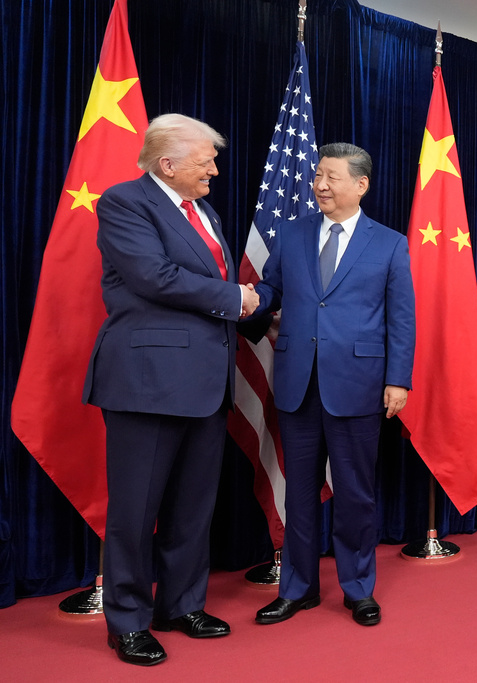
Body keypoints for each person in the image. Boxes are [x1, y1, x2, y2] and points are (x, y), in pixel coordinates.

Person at [83, 114, 260, 666]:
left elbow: (202, 284)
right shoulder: (124, 202)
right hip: (147, 384)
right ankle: (128, 622)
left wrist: (251, 307)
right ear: (168, 164)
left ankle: (180, 606)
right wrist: (237, 298)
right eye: (205, 159)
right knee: (135, 512)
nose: (213, 168)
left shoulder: (202, 209)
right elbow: (152, 276)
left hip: (206, 385)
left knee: (192, 507)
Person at [252, 143, 415, 627]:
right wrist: (236, 300)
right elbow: (270, 292)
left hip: (360, 386)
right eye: (317, 175)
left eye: (330, 177)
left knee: (354, 494)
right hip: (298, 384)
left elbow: (400, 319)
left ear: (360, 185)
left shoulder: (389, 243)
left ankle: (358, 588)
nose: (319, 185)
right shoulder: (293, 233)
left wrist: (397, 380)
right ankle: (296, 589)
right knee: (298, 494)